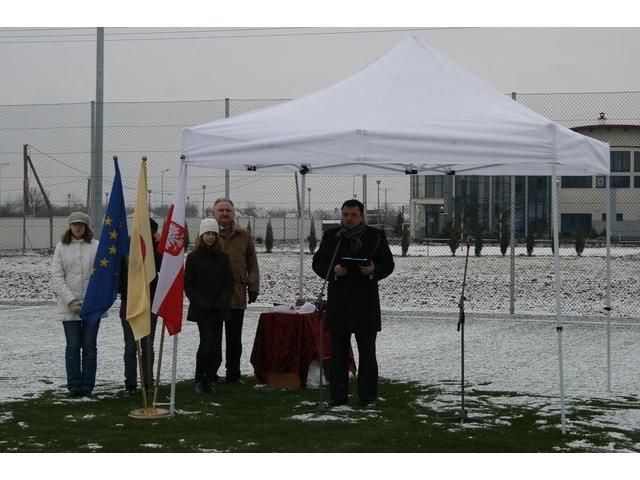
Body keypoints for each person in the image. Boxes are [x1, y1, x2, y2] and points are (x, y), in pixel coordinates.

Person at [312, 199, 394, 408]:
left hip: (365, 303)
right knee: (338, 353)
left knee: (367, 353)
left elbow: (388, 264)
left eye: (353, 215)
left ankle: (368, 397)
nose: (348, 219)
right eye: (345, 215)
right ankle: (338, 397)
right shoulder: (333, 236)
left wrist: (373, 270)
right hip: (339, 302)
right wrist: (333, 271)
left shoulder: (375, 236)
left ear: (362, 216)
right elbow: (318, 263)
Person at [51, 211, 100, 397]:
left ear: (86, 227)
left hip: (91, 307)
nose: (78, 227)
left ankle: (87, 386)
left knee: (89, 347)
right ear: (69, 226)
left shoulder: (96, 246)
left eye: (81, 224)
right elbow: (57, 276)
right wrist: (71, 300)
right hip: (69, 307)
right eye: (74, 224)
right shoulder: (61, 247)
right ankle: (74, 386)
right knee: (72, 347)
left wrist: (91, 302)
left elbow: (101, 275)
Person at [211, 198, 260, 383]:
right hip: (213, 297)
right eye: (221, 210)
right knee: (213, 339)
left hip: (236, 295)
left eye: (228, 210)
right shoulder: (208, 234)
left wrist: (253, 287)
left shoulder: (244, 235)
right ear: (213, 213)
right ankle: (211, 373)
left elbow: (252, 264)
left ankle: (233, 374)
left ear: (233, 213)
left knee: (234, 339)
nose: (224, 213)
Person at [184, 218, 234, 393]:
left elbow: (229, 284)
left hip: (218, 310)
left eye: (213, 234)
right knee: (206, 344)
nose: (211, 237)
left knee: (215, 347)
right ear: (201, 235)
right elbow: (189, 286)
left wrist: (221, 302)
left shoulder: (223, 258)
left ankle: (210, 378)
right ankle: (200, 379)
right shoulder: (193, 258)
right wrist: (203, 303)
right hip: (202, 310)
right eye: (207, 234)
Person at [118, 218, 162, 396]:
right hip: (129, 304)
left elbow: (163, 267)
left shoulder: (156, 251)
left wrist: (158, 244)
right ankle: (130, 384)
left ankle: (148, 382)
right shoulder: (126, 249)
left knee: (147, 347)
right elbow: (118, 277)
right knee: (130, 347)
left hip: (150, 304)